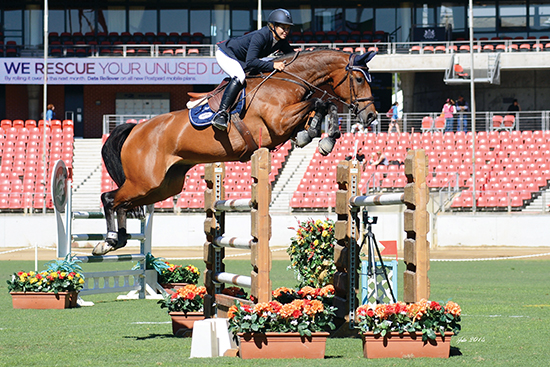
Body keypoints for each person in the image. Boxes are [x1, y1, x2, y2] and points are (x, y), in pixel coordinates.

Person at [211, 8, 295, 131]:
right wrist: (273, 65)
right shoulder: (261, 36)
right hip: (227, 54)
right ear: (272, 26)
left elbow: (292, 56)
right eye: (283, 27)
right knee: (240, 76)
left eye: (288, 28)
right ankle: (221, 114)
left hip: (242, 60)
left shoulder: (281, 41)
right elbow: (251, 62)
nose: (286, 31)